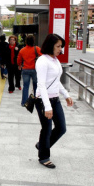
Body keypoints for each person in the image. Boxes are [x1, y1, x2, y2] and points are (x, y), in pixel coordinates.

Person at [35, 33, 73, 169]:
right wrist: (47, 106)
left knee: (61, 128)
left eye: (61, 46)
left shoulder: (55, 60)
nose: (60, 49)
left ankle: (42, 146)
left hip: (55, 99)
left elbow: (56, 81)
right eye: (58, 46)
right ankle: (44, 157)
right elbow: (42, 85)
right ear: (50, 45)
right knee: (47, 129)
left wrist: (66, 94)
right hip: (43, 100)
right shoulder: (42, 61)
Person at [17, 35, 41, 107]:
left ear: (26, 41)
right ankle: (36, 100)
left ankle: (24, 102)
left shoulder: (22, 50)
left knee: (26, 86)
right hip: (35, 70)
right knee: (36, 86)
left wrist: (19, 65)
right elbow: (43, 56)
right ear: (33, 41)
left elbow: (19, 60)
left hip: (25, 70)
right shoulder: (37, 49)